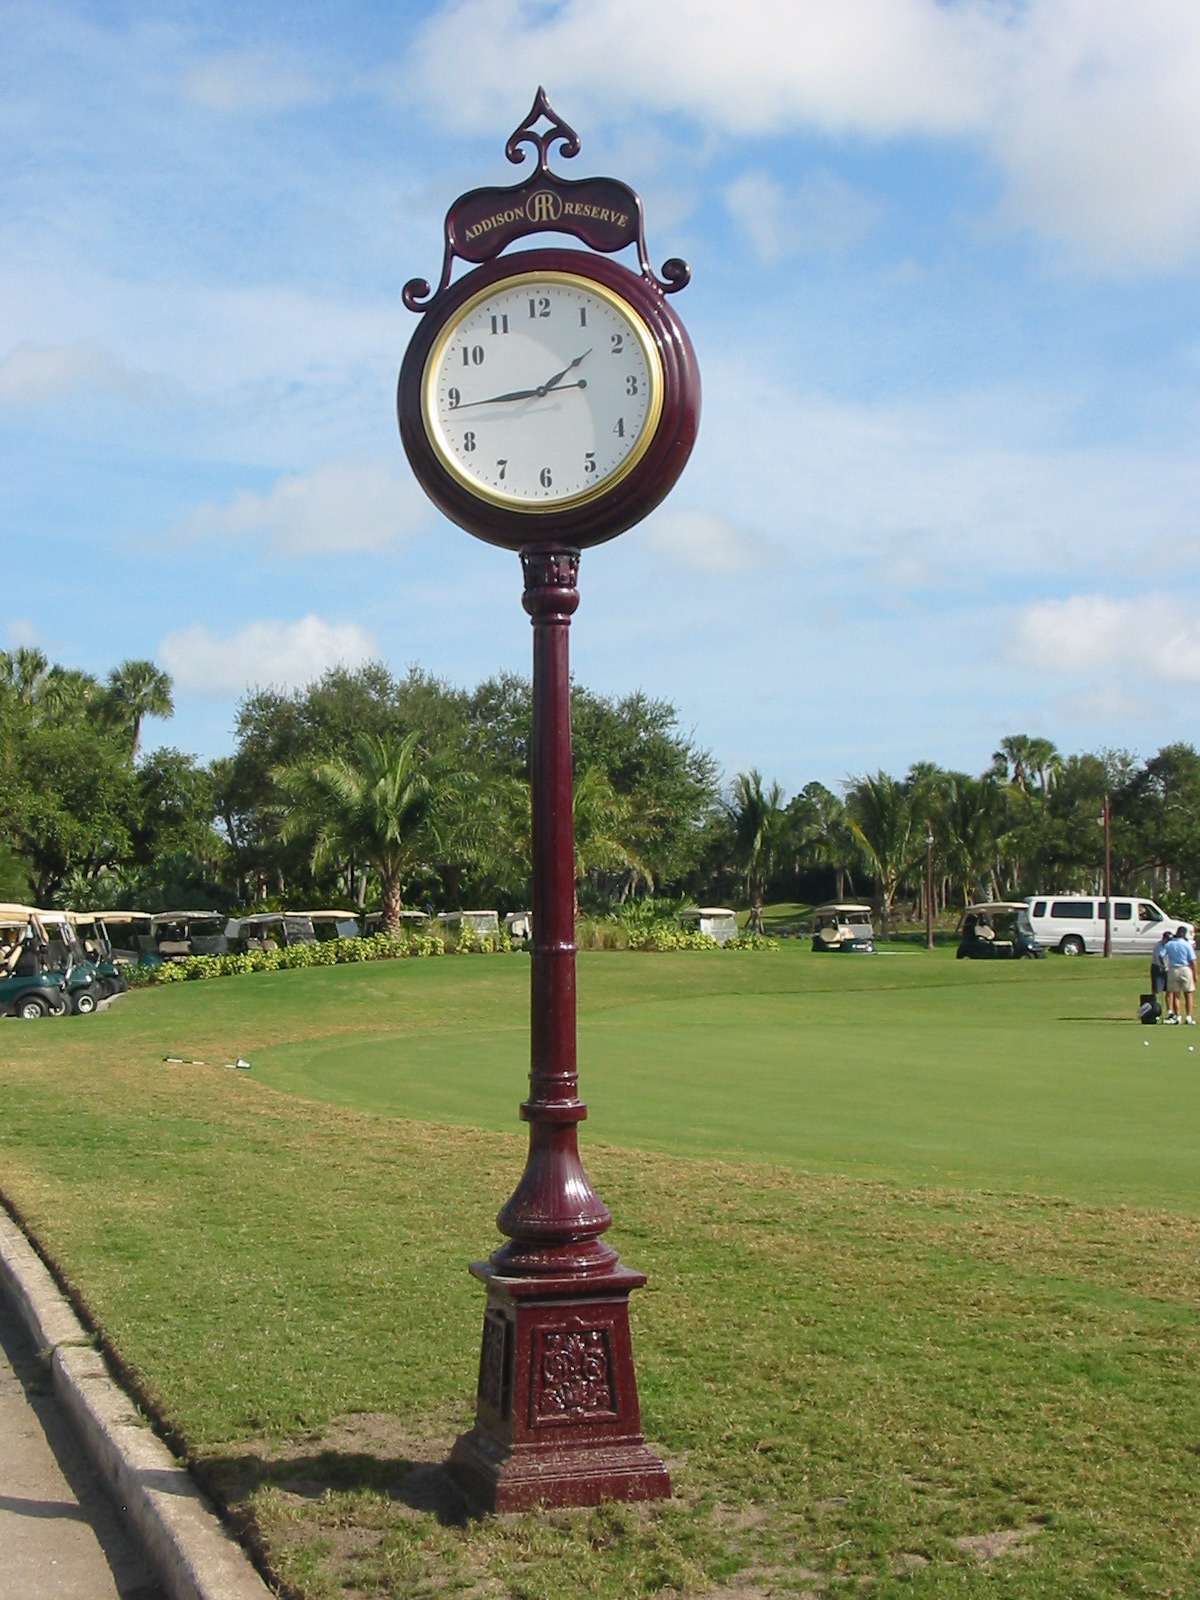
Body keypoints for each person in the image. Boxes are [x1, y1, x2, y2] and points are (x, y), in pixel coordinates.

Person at [1164, 925, 1197, 1025]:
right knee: (1188, 994)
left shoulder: (1169, 944)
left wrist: (1164, 965)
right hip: (1185, 968)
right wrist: (1195, 974)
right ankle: (1188, 1017)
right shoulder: (1186, 945)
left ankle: (1178, 1016)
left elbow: (1161, 955)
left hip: (1173, 969)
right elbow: (1193, 960)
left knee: (1175, 994)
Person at [1152, 931, 1172, 1019]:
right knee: (1156, 990)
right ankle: (1154, 1010)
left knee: (1169, 990)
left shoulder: (1170, 945)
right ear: (1163, 938)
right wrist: (1163, 966)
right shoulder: (1158, 946)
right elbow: (1159, 957)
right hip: (1157, 968)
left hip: (1168, 969)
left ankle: (1169, 1011)